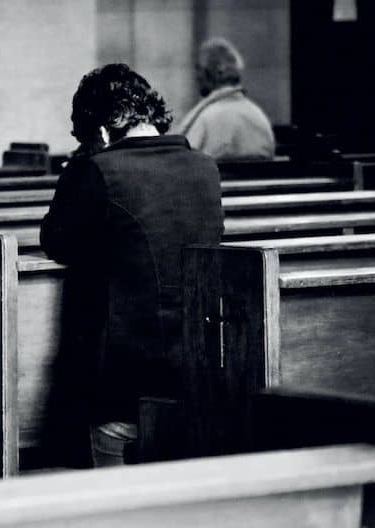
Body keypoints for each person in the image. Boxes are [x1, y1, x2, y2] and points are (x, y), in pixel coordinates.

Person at [40, 63, 224, 467]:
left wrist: (77, 170)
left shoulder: (97, 170)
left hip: (124, 369)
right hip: (198, 353)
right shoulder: (205, 168)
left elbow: (56, 240)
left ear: (102, 132)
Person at [174, 38, 275, 160]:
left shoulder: (206, 120)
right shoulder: (259, 117)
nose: (196, 77)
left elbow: (180, 163)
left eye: (198, 68)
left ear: (213, 72)